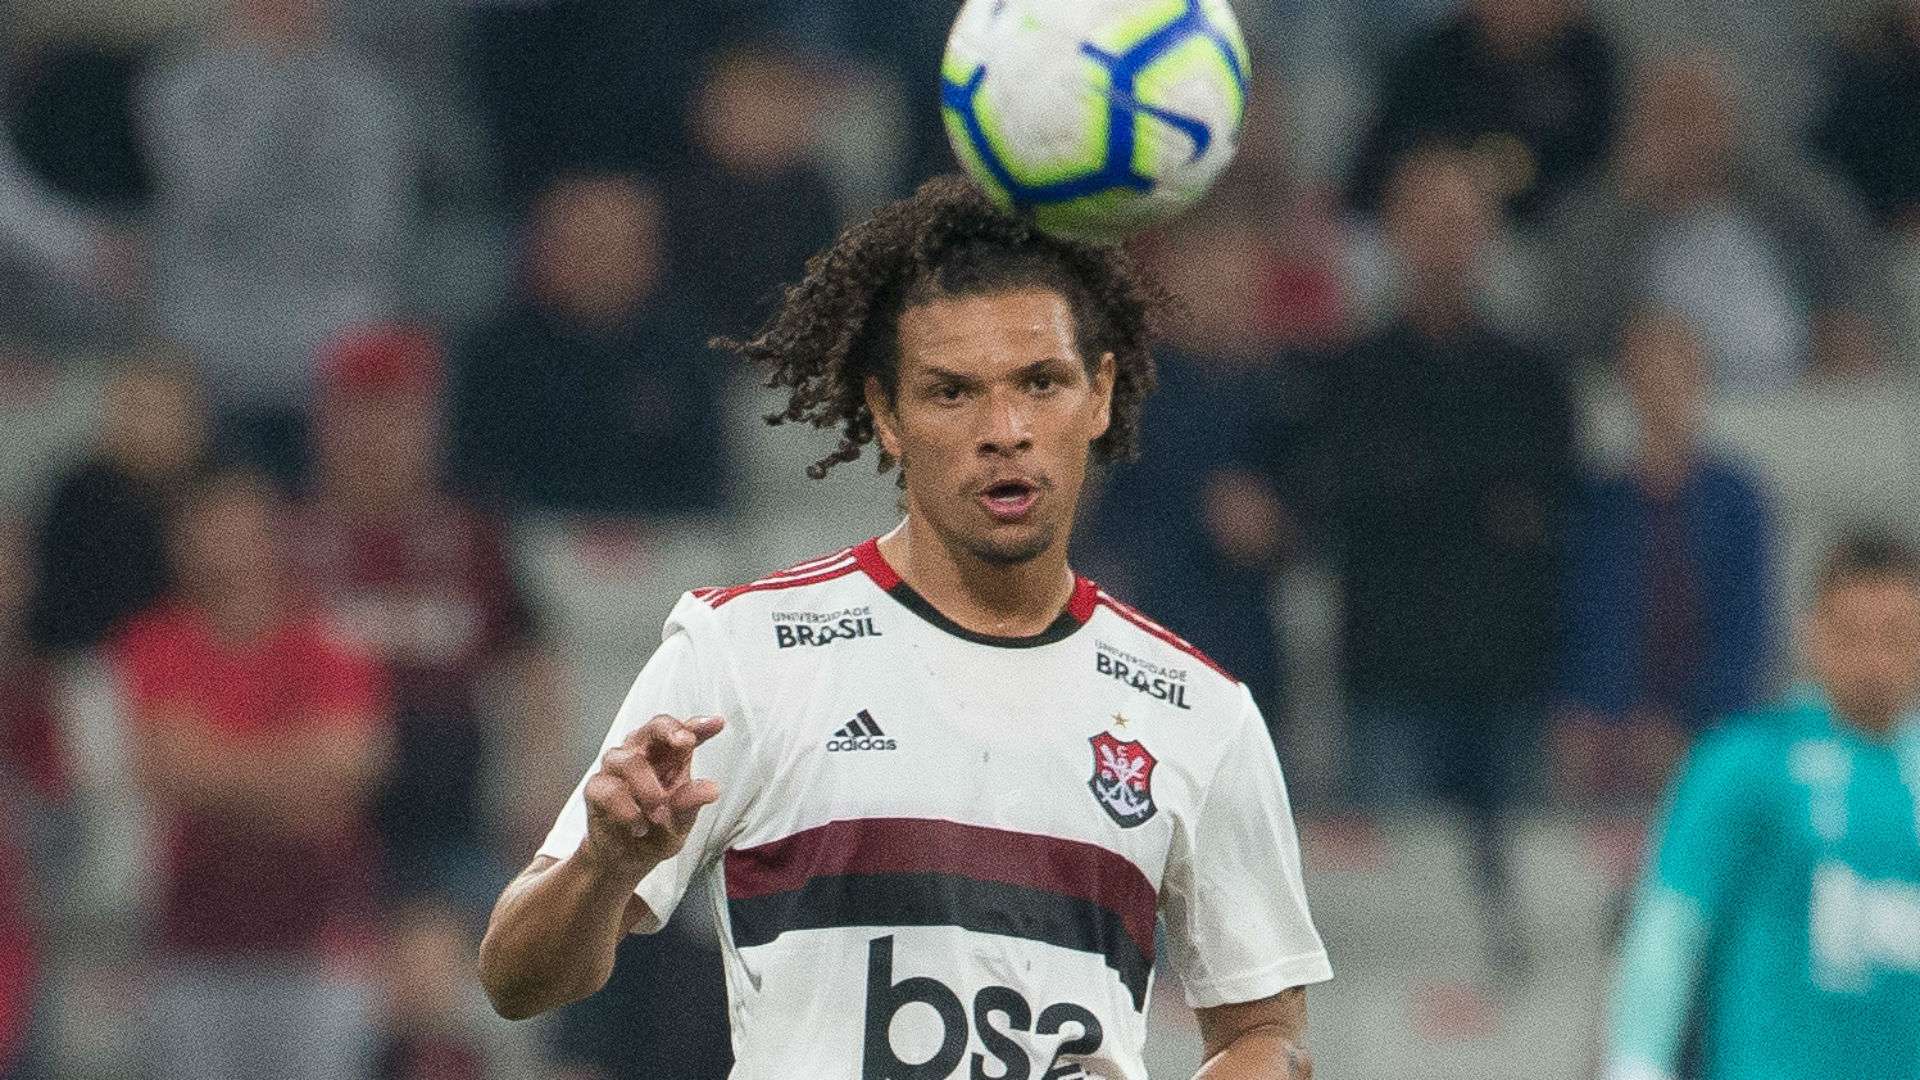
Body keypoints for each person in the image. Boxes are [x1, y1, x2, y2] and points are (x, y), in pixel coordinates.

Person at [479, 176, 1331, 1079]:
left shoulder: (1199, 709)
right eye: (953, 393)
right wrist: (605, 868)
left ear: (1102, 394)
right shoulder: (743, 654)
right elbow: (515, 979)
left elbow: (1262, 1033)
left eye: (1041, 383)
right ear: (886, 414)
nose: (1006, 430)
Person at [1321, 145, 1576, 980]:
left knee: (1535, 925)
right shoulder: (1352, 371)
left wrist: (1417, 484)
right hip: (1391, 675)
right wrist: (1476, 496)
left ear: (1490, 236)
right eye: (1426, 223)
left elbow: (1551, 510)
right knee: (1401, 927)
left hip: (1511, 674)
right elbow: (1344, 499)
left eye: (1461, 224)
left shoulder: (1533, 373)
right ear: (1392, 234)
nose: (1443, 242)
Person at [1607, 531, 1920, 1080]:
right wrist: (1636, 1066)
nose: (1875, 661)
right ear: (1812, 634)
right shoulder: (1744, 761)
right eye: (1854, 635)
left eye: (1896, 637)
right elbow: (1669, 928)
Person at [115, 467, 389, 1080]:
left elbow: (356, 764)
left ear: (274, 535)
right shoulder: (155, 641)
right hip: (192, 946)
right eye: (212, 527)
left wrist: (217, 769)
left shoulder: (326, 637)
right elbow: (166, 766)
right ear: (181, 539)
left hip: (319, 945)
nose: (229, 544)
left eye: (244, 525)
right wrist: (294, 773)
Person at [1346, 0, 1619, 225]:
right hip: (1433, 238)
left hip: (1556, 237)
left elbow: (1606, 170)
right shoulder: (1432, 57)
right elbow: (1373, 170)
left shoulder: (1590, 63)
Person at [26, 353, 206, 658]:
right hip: (95, 660)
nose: (148, 427)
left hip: (201, 659)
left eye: (161, 410)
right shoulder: (80, 497)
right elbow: (62, 611)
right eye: (137, 410)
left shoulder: (216, 493)